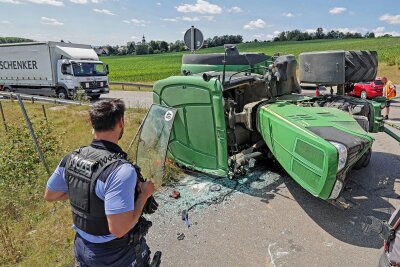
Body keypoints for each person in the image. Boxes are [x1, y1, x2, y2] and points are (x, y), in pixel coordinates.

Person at [44, 99, 159, 267]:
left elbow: (50, 194)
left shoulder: (71, 157)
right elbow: (119, 229)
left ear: (91, 123)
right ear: (121, 122)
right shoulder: (121, 171)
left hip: (81, 246)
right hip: (114, 254)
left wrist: (88, 193)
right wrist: (144, 195)